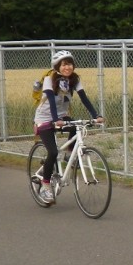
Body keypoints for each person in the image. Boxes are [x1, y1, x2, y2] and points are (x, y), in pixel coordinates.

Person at [33, 50, 103, 205]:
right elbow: (51, 100)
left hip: (62, 118)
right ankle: (45, 185)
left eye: (70, 64)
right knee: (52, 151)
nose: (68, 67)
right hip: (45, 118)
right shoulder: (49, 79)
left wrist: (95, 115)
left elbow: (84, 98)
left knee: (74, 125)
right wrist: (55, 119)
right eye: (64, 64)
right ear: (58, 66)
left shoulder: (74, 80)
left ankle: (69, 153)